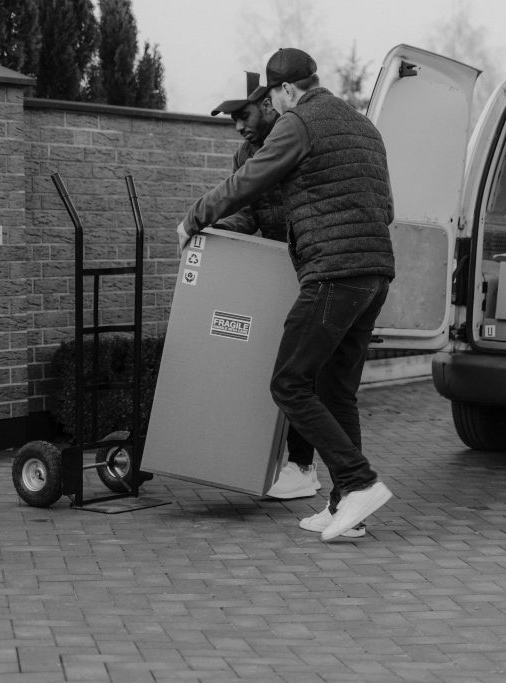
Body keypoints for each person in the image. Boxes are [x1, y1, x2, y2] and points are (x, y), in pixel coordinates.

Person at [177, 48, 395, 541]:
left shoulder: (298, 122)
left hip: (333, 274)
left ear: (286, 90)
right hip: (375, 274)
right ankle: (346, 506)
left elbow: (248, 181)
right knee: (336, 391)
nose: (273, 105)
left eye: (273, 96)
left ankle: (359, 482)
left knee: (289, 383)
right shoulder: (365, 127)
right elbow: (386, 206)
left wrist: (194, 218)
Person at [209, 71, 320, 501]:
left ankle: (303, 465)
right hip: (275, 267)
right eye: (232, 120)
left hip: (309, 262)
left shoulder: (297, 132)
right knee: (280, 366)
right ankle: (275, 459)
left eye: (243, 115)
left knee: (304, 370)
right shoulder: (245, 153)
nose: (238, 126)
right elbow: (248, 211)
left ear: (267, 103)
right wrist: (218, 228)